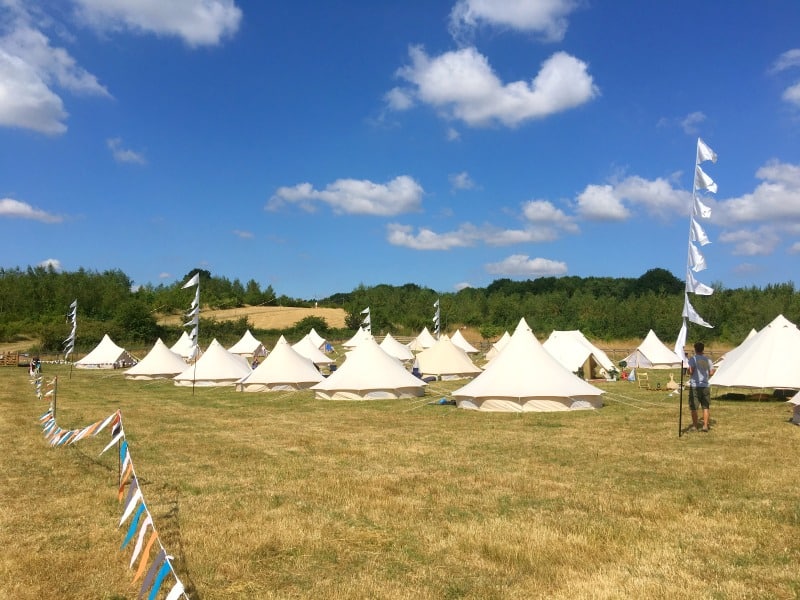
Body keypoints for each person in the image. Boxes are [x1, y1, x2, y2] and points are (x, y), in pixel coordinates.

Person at [687, 342, 714, 431]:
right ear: (703, 349)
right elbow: (711, 372)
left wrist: (688, 370)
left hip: (695, 385)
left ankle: (695, 426)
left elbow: (691, 371)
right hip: (705, 385)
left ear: (695, 349)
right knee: (705, 406)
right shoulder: (708, 360)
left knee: (694, 407)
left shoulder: (693, 359)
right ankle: (705, 426)